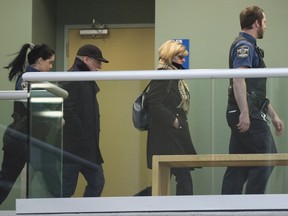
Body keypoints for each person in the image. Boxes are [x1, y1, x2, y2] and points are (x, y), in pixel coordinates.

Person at [221, 6, 284, 194]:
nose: (265, 25)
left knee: (238, 165)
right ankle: (253, 204)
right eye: (264, 22)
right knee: (268, 157)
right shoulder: (244, 46)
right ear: (256, 23)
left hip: (245, 110)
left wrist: (274, 116)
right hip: (246, 112)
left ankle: (228, 206)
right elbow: (238, 79)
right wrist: (245, 113)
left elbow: (255, 91)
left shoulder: (249, 46)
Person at [0, 43, 56, 204]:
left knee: (7, 180)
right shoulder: (27, 79)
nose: (51, 67)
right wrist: (51, 114)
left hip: (29, 138)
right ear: (40, 60)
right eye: (49, 62)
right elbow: (31, 105)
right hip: (22, 138)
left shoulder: (36, 80)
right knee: (6, 181)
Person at [146, 40, 197, 195]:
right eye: (180, 57)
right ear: (171, 56)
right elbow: (153, 102)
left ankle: (150, 205)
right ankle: (183, 210)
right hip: (166, 135)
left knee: (164, 180)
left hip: (171, 134)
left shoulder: (173, 76)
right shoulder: (164, 75)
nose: (183, 60)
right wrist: (173, 121)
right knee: (183, 177)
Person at [60, 44, 108, 197]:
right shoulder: (73, 78)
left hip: (84, 146)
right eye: (97, 62)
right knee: (67, 189)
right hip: (74, 146)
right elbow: (66, 109)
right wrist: (81, 132)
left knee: (96, 182)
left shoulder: (82, 78)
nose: (99, 66)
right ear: (86, 59)